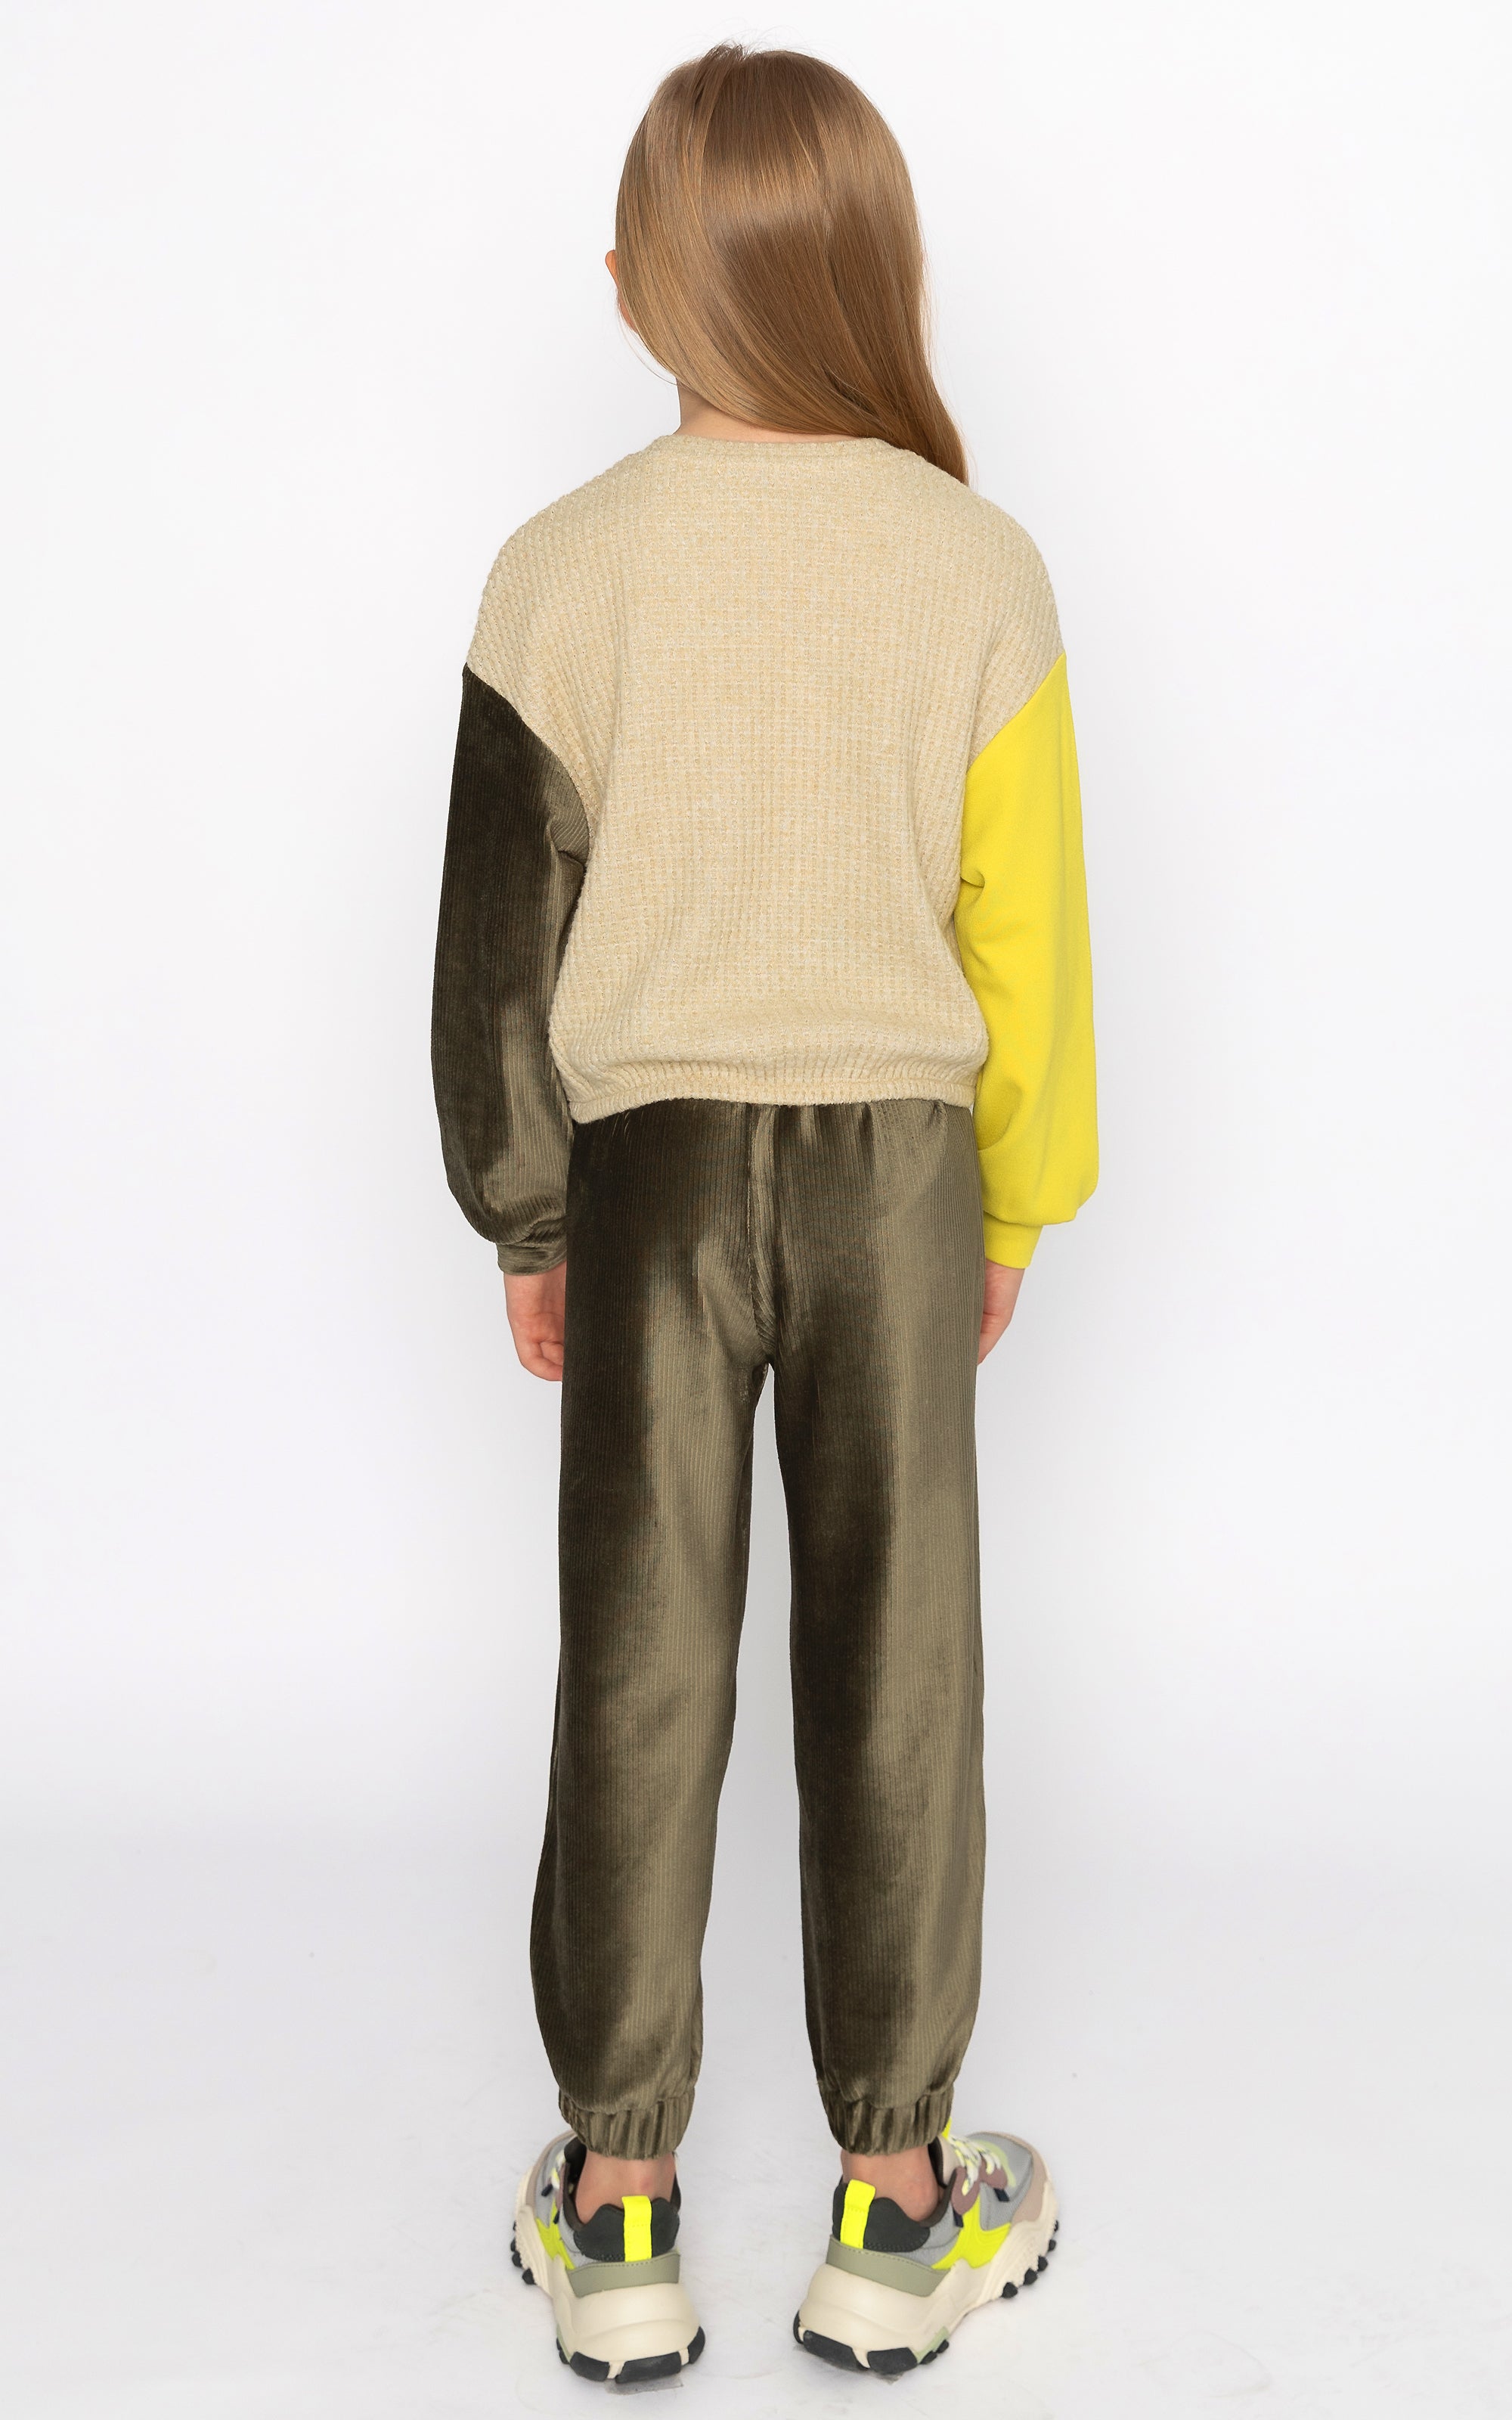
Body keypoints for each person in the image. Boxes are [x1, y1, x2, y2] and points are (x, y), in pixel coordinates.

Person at [431, 40, 1096, 2385]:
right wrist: (1019, 1196)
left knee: (639, 1663)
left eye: (629, 238)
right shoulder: (978, 567)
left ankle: (616, 2206)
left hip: (654, 1181)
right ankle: (896, 2208)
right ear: (858, 267)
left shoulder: (559, 572)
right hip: (900, 1170)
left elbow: (497, 947)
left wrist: (530, 1216)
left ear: (656, 284)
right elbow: (1028, 932)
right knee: (899, 1662)